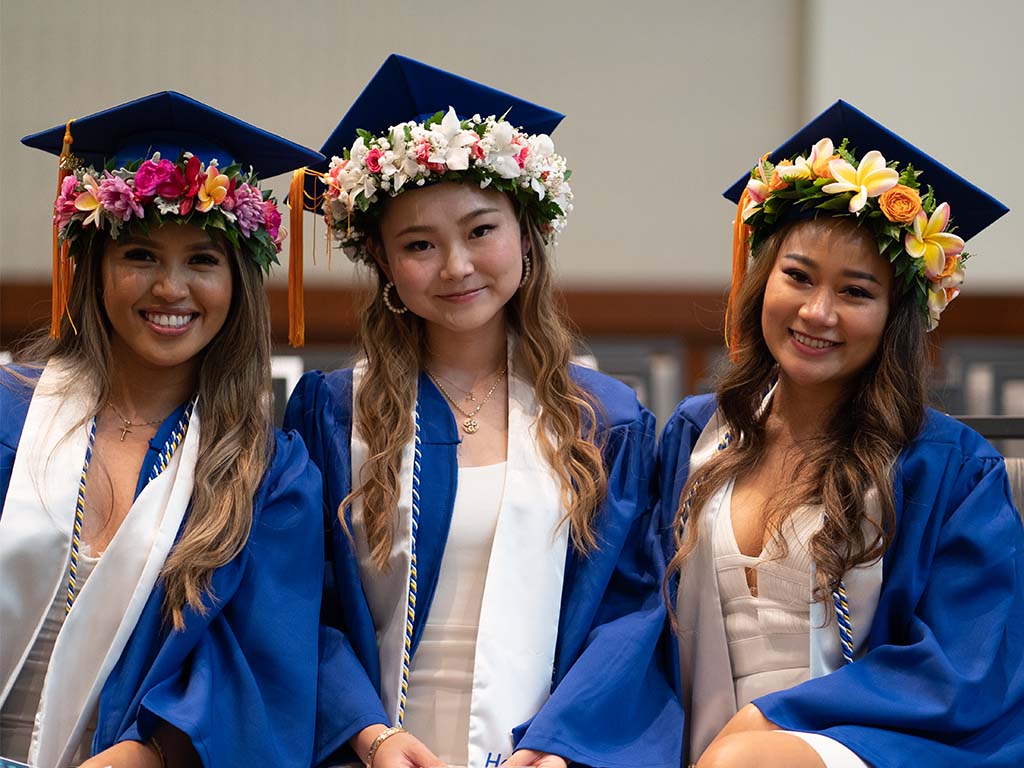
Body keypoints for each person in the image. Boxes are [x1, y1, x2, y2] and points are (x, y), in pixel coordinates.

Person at [284, 54, 681, 768]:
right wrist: (370, 737)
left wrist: (561, 747)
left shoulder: (603, 421)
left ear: (526, 234)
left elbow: (631, 614)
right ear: (382, 263)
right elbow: (294, 605)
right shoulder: (334, 414)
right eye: (418, 245)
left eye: (479, 230)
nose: (456, 266)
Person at [657, 99, 1024, 768]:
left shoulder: (947, 468)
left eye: (856, 292)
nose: (817, 312)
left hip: (876, 744)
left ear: (895, 316)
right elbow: (637, 626)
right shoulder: (696, 436)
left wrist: (775, 719)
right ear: (763, 279)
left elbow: (965, 664)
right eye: (797, 277)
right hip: (703, 747)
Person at [1, 92, 326, 768]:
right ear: (93, 268)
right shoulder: (10, 412)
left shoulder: (267, 477)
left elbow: (251, 682)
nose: (171, 288)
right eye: (140, 255)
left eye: (203, 260)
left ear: (239, 281)